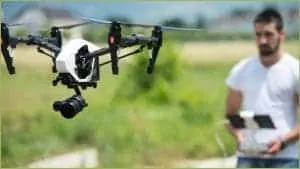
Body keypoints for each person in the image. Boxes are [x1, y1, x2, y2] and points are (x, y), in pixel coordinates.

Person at [225, 8, 299, 168]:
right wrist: (239, 136)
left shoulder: (295, 70)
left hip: (285, 158)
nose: (263, 41)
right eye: (258, 35)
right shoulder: (241, 70)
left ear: (282, 34)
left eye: (268, 34)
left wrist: (283, 141)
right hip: (248, 157)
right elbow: (230, 115)